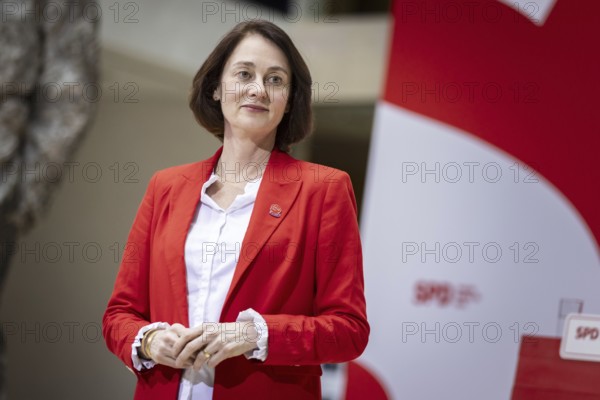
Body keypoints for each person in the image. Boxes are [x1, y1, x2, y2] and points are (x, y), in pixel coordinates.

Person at [102, 20, 369, 400]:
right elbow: (119, 315)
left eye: (276, 80)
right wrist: (148, 341)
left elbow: (349, 329)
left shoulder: (324, 189)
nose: (258, 89)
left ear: (290, 99)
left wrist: (254, 335)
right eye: (244, 73)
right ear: (215, 88)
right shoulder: (166, 187)